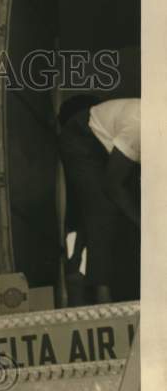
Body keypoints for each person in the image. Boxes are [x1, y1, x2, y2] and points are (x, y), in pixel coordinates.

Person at [58, 95, 140, 304]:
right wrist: (140, 220)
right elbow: (112, 185)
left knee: (126, 206)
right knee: (104, 209)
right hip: (82, 136)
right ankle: (103, 296)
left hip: (108, 143)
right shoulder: (139, 128)